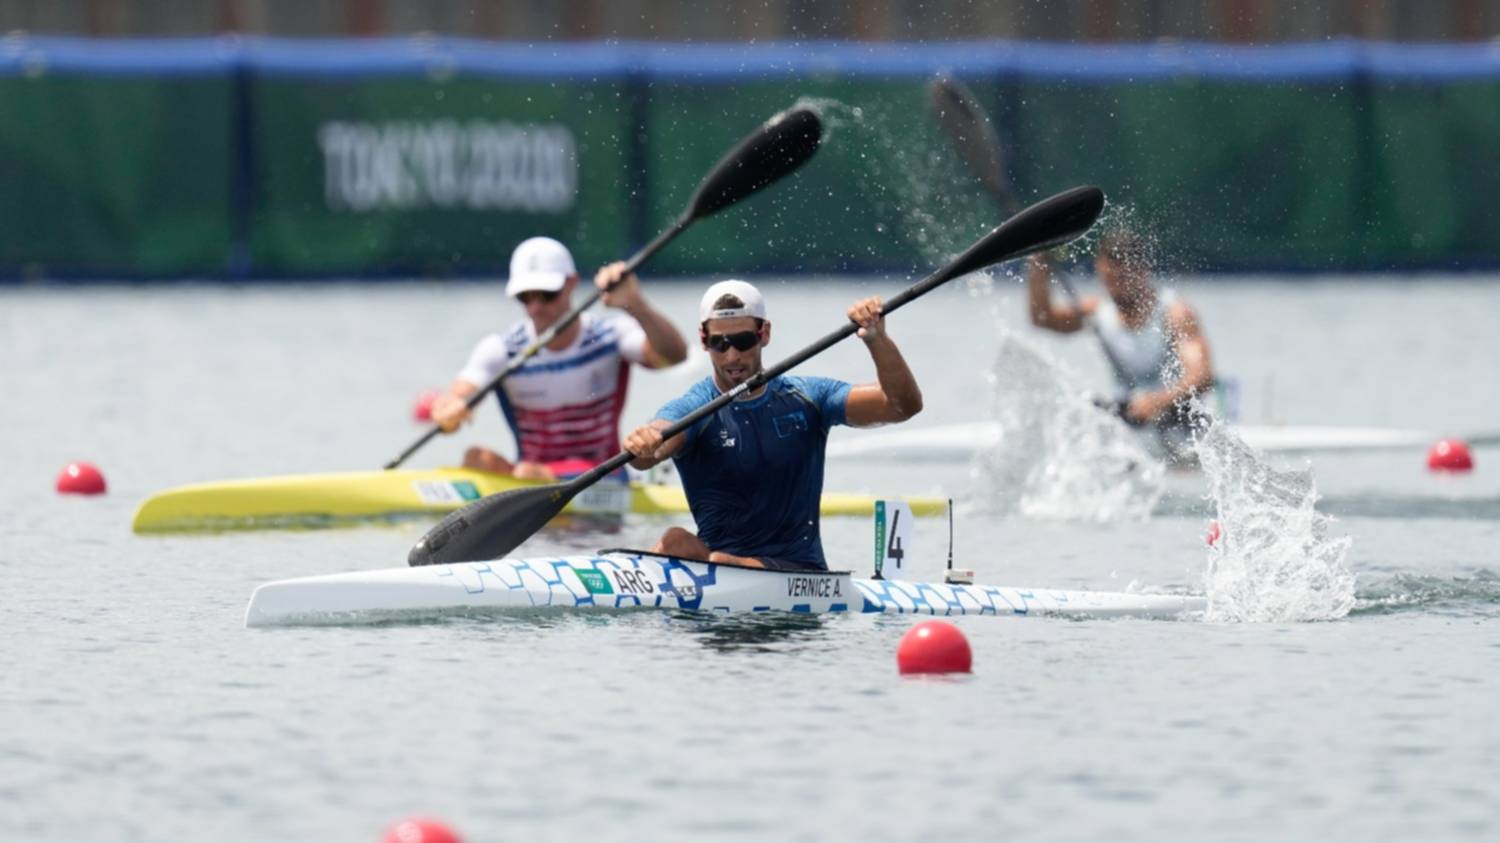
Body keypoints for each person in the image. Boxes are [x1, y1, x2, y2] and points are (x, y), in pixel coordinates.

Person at [622, 280, 923, 571]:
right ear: (703, 340)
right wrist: (646, 442)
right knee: (676, 541)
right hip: (719, 566)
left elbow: (901, 406)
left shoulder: (810, 397)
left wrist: (876, 339)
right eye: (719, 343)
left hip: (799, 571)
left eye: (743, 341)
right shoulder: (695, 406)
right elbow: (649, 453)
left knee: (717, 560)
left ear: (764, 333)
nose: (732, 356)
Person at [431, 236, 688, 479]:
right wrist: (450, 409)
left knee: (526, 473)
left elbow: (675, 356)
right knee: (476, 458)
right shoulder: (503, 349)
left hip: (604, 474)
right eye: (525, 296)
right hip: (530, 475)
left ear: (572, 283)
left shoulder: (610, 336)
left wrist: (635, 304)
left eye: (546, 294)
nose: (535, 308)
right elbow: (459, 392)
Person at [1027, 229, 1214, 454]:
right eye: (1109, 279)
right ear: (1100, 270)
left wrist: (1157, 402)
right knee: (1075, 408)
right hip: (1130, 418)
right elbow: (1042, 318)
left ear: (1142, 270)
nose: (1116, 287)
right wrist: (1039, 263)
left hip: (1178, 421)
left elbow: (1202, 377)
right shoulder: (1098, 311)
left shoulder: (1175, 313)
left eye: (1123, 279)